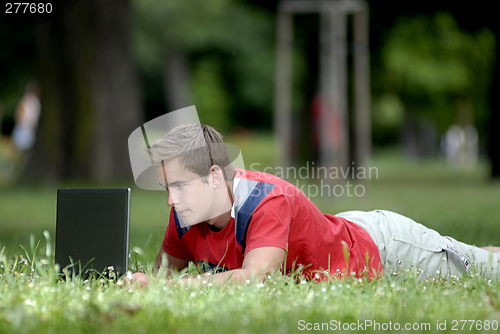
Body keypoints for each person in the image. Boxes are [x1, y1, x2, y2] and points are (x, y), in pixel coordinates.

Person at [130, 123, 500, 287]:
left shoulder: (266, 201)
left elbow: (257, 279)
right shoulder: (184, 213)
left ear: (213, 177)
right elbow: (163, 278)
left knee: (484, 267)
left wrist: (167, 287)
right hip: (337, 232)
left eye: (178, 186)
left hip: (382, 248)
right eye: (167, 187)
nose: (170, 199)